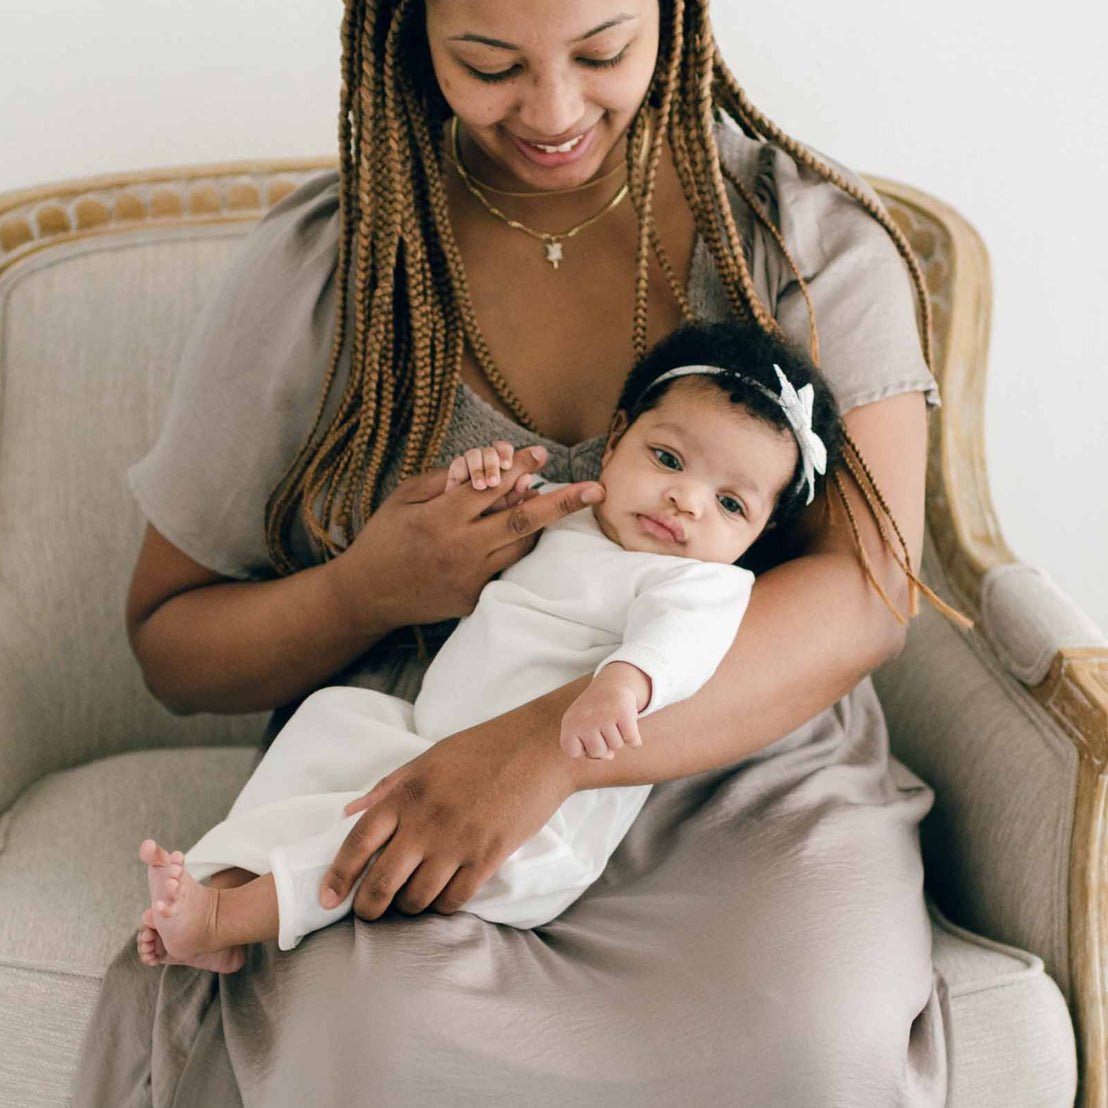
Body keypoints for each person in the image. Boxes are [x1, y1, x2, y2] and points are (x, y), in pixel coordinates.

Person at [72, 0, 956, 1103]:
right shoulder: (329, 267)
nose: (552, 110)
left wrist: (547, 747)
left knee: (809, 1044)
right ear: (407, 34)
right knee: (371, 1044)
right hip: (420, 756)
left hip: (734, 751)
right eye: (488, 63)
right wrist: (365, 592)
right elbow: (171, 641)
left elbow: (867, 593)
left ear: (675, 22)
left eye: (602, 52)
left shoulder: (804, 242)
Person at [134, 321, 842, 970]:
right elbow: (476, 526)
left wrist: (624, 684)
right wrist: (484, 483)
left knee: (363, 837)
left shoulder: (697, 584)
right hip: (426, 741)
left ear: (757, 537)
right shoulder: (571, 514)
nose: (686, 500)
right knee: (325, 724)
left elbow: (680, 648)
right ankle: (215, 876)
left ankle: (228, 918)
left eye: (730, 504)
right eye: (667, 458)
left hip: (526, 820)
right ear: (617, 437)